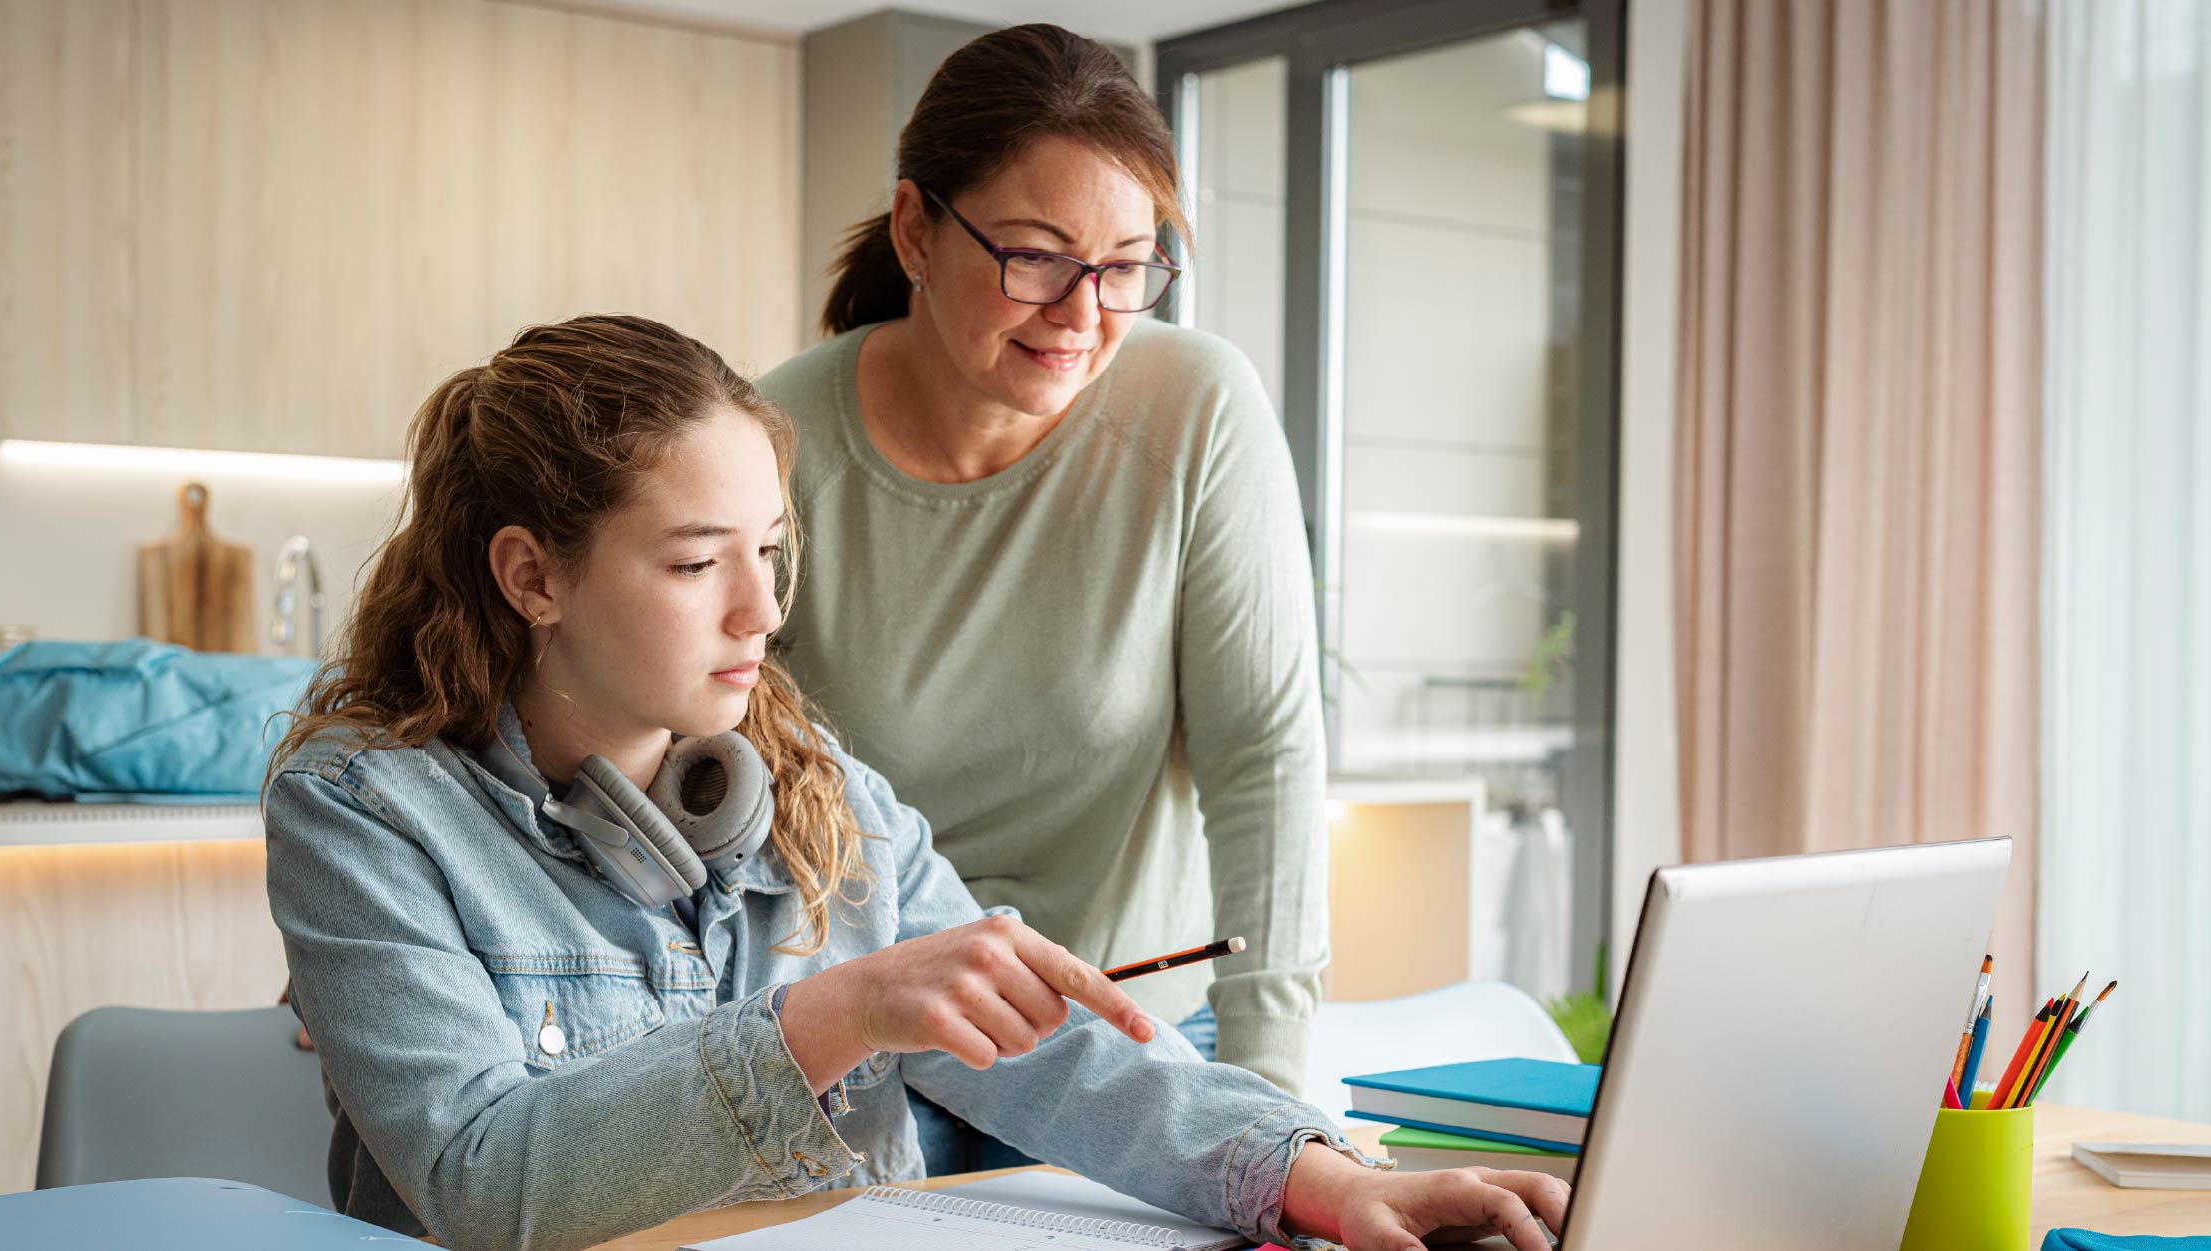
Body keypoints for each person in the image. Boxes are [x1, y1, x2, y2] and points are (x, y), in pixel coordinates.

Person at [263, 315, 1567, 1251]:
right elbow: (486, 1184)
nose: (761, 608)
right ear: (531, 576)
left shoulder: (817, 781)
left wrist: (1319, 1177)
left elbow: (1047, 1047)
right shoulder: (364, 812)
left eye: (771, 551)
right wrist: (833, 1013)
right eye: (693, 563)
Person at [756, 25, 1329, 1167]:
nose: (1084, 312)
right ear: (917, 229)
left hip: (1144, 1049)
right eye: (1034, 256)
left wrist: (1274, 1111)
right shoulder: (772, 442)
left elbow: (1262, 758)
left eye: (1126, 263)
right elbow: (678, 761)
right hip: (884, 1077)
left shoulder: (1193, 406)